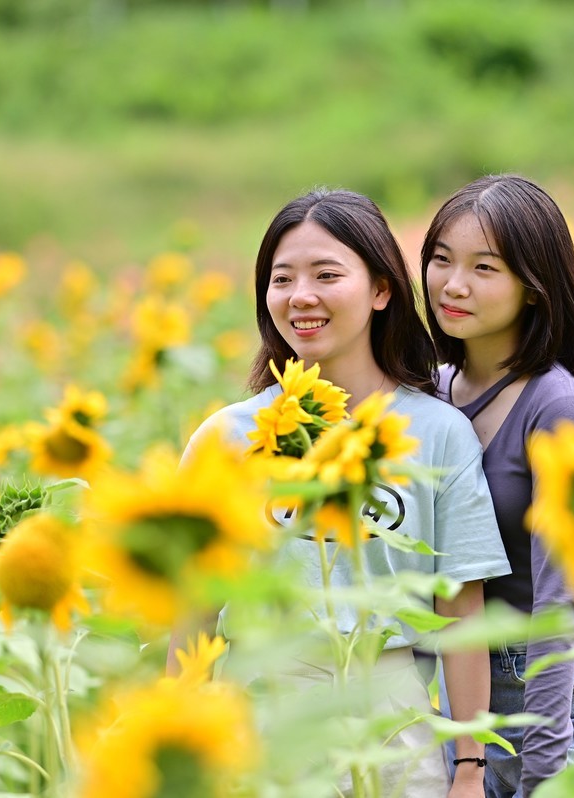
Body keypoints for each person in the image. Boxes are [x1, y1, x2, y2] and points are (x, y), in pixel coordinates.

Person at [170, 188, 511, 797]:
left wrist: (468, 767)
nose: (301, 296)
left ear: (381, 290)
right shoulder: (226, 438)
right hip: (264, 709)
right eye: (282, 279)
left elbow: (462, 613)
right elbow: (193, 615)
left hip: (393, 715)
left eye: (327, 274)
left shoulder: (437, 433)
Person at [421, 174, 574, 798]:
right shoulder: (433, 393)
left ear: (534, 288)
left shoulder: (558, 404)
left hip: (558, 682)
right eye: (440, 260)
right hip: (465, 683)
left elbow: (558, 602)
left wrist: (543, 766)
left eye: (484, 267)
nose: (453, 285)